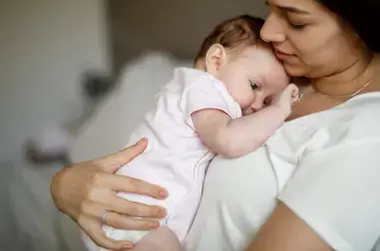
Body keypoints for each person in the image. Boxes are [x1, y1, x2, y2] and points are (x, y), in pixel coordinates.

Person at [51, 0, 380, 250]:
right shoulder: (282, 72)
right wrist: (64, 185)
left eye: (295, 20)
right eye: (268, 6)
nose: (268, 32)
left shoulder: (374, 137)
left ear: (362, 22)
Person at [83, 15, 297, 251]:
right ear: (216, 61)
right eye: (255, 86)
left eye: (267, 100)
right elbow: (228, 140)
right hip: (134, 214)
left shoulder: (211, 97)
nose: (258, 106)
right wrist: (278, 110)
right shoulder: (202, 88)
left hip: (147, 220)